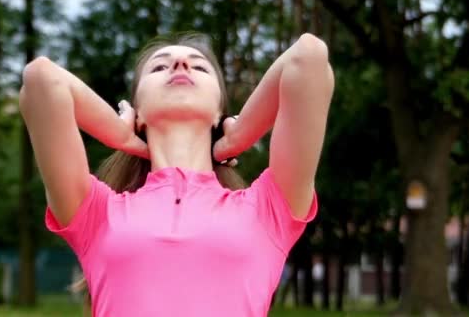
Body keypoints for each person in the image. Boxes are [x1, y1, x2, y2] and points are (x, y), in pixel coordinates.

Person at [19, 32, 334, 317]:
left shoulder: (268, 210)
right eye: (158, 67)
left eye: (199, 66)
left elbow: (308, 57)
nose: (181, 63)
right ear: (138, 113)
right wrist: (121, 135)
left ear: (218, 112)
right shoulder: (97, 214)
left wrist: (237, 137)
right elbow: (41, 80)